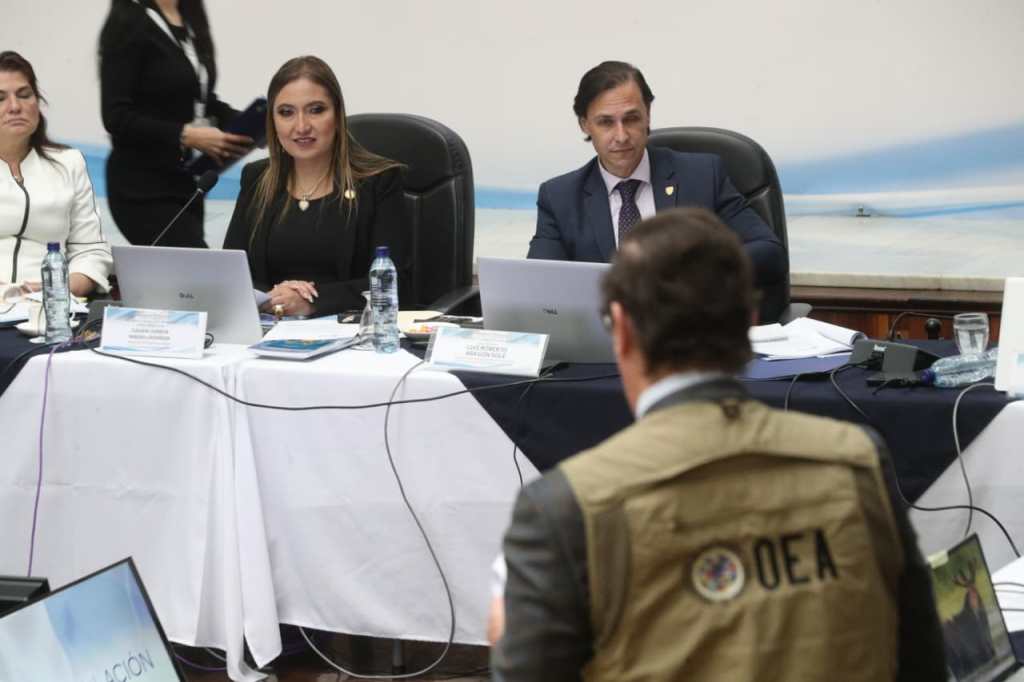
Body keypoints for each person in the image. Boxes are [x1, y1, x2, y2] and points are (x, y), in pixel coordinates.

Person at [492, 208, 947, 681]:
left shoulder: (565, 506)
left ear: (621, 329)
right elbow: (922, 661)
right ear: (748, 321)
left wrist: (509, 640)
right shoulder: (856, 459)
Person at [527, 61, 787, 319]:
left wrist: (698, 272)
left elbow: (769, 252)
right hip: (605, 336)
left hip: (693, 330)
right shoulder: (559, 197)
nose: (621, 136)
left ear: (648, 115)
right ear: (585, 125)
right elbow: (540, 284)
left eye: (631, 119)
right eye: (606, 122)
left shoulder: (703, 175)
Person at [223, 56, 407, 317]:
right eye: (286, 112)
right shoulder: (256, 178)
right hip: (269, 328)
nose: (301, 126)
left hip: (351, 330)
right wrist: (276, 295)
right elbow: (232, 275)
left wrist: (312, 302)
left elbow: (394, 283)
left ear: (338, 115)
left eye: (316, 110)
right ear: (272, 121)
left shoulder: (379, 181)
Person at [99, 0, 253, 247]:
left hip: (185, 181)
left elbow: (201, 100)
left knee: (182, 269)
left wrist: (254, 123)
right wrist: (185, 135)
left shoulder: (191, 16)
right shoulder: (129, 18)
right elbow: (115, 116)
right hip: (141, 186)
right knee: (196, 266)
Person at [0, 51, 112, 296]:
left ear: (38, 103)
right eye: (0, 98)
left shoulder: (69, 163)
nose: (15, 107)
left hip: (51, 304)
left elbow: (91, 251)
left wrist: (58, 289)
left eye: (24, 95)